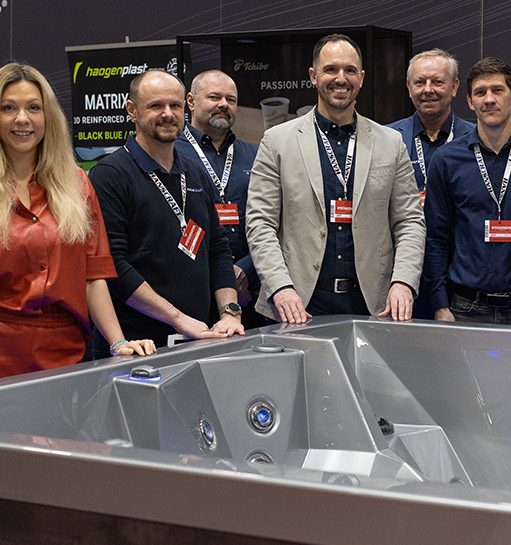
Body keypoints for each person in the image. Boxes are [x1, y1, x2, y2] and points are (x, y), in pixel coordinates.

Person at [0, 62, 154, 384]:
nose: (22, 118)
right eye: (8, 108)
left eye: (33, 108)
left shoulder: (77, 184)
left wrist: (118, 343)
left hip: (64, 353)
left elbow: (92, 277)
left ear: (48, 116)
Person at [245, 33, 425, 323]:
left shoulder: (391, 143)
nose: (341, 78)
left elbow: (410, 222)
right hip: (297, 303)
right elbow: (260, 223)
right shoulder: (276, 141)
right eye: (331, 69)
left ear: (361, 78)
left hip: (373, 303)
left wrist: (403, 281)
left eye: (350, 70)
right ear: (313, 76)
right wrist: (280, 287)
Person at [90, 69, 245, 351]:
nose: (168, 114)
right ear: (132, 110)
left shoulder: (195, 173)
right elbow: (114, 266)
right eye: (156, 106)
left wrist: (229, 313)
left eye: (175, 105)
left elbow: (218, 250)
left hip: (198, 336)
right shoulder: (110, 174)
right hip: (136, 345)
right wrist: (177, 318)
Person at [424, 56, 511, 324]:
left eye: (497, 90)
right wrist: (440, 304)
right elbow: (435, 238)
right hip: (465, 309)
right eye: (480, 92)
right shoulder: (447, 159)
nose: (489, 99)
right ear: (469, 101)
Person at [389, 48, 477, 320]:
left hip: (459, 278)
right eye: (420, 82)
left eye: (438, 82)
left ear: (454, 87)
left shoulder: (476, 140)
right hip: (399, 275)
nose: (428, 90)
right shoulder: (388, 139)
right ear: (408, 87)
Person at [176, 69, 264, 326]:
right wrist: (223, 279)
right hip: (192, 293)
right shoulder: (171, 152)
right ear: (191, 101)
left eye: (231, 99)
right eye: (214, 97)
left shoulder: (256, 155)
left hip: (252, 291)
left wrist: (245, 270)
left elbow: (275, 220)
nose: (224, 104)